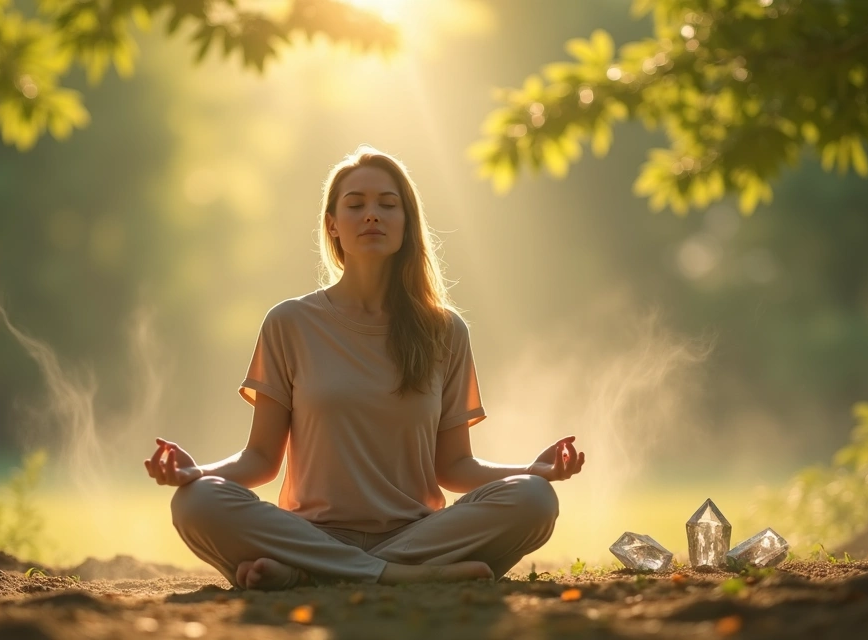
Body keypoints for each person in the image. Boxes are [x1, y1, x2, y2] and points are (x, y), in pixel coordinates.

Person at [143, 146, 586, 590]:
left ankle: (309, 574)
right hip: (311, 533)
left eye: (387, 205)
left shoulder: (446, 331)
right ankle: (393, 576)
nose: (371, 214)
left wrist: (531, 471)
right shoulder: (289, 323)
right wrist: (195, 474)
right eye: (355, 205)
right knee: (195, 502)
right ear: (332, 225)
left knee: (534, 499)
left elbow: (453, 467)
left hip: (417, 536)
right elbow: (260, 459)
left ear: (406, 223)